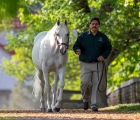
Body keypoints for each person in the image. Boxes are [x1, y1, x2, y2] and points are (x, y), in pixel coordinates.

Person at [73, 17, 112, 112]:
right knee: (84, 83)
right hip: (85, 63)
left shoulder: (103, 37)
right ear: (90, 25)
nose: (94, 25)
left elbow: (109, 48)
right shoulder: (83, 36)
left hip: (98, 64)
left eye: (96, 24)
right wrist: (77, 50)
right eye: (92, 23)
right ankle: (85, 99)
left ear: (99, 26)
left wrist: (103, 56)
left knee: (95, 84)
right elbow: (75, 45)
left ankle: (93, 104)